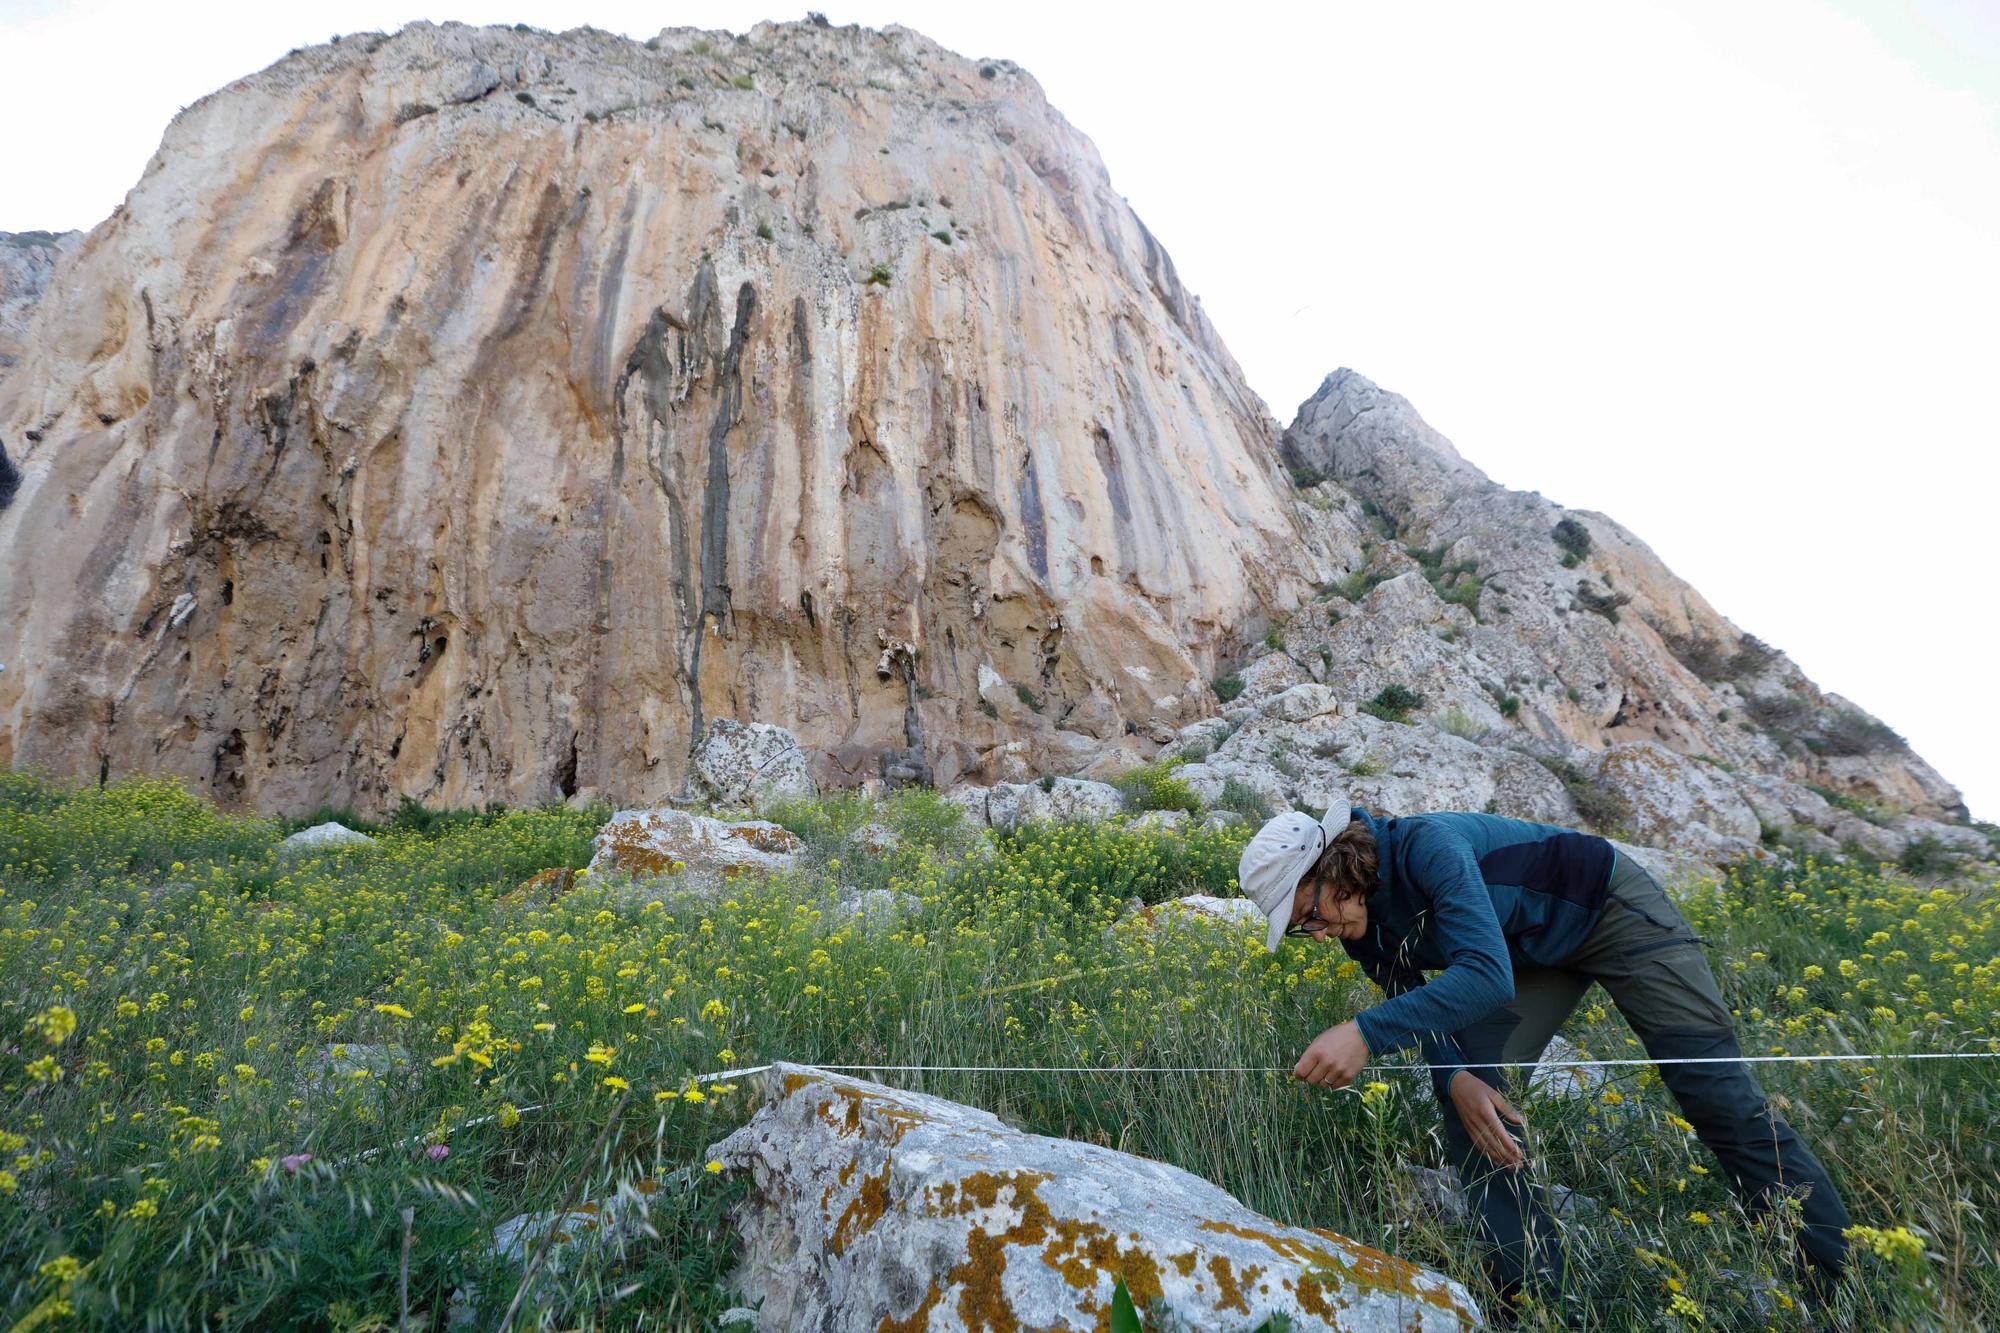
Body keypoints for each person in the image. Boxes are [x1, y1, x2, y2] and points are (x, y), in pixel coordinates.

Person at [1238, 797, 1849, 1302]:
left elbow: (1483, 978)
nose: (1315, 935)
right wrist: (1457, 1078)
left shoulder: (1427, 847)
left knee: (1716, 1092)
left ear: (1336, 867)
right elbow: (1432, 1019)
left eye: (1307, 915)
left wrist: (1365, 1032)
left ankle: (1839, 1280)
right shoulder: (1362, 929)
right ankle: (1530, 1298)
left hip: (1608, 909)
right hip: (1525, 955)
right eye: (1301, 931)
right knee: (1473, 1110)